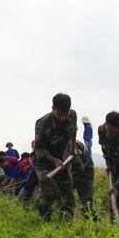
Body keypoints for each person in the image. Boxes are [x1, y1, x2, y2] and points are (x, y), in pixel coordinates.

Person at [33, 92, 78, 220]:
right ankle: (45, 218)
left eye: (66, 114)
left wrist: (72, 149)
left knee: (67, 190)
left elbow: (74, 130)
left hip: (62, 157)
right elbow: (39, 149)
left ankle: (66, 222)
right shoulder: (43, 124)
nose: (63, 118)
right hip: (44, 159)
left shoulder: (73, 115)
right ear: (53, 109)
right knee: (49, 191)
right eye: (60, 114)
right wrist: (54, 160)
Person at [71, 140, 98, 220]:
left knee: (87, 202)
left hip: (85, 173)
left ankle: (94, 222)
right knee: (65, 199)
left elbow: (79, 168)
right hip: (73, 172)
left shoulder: (73, 145)